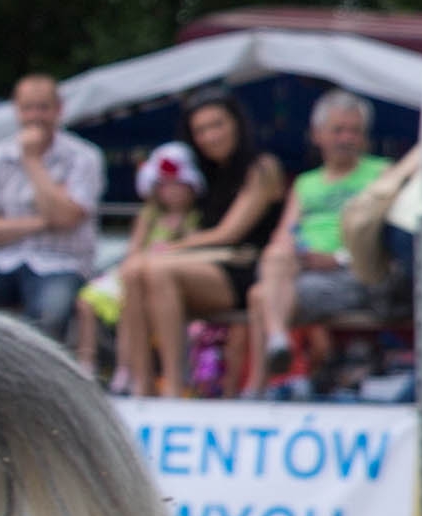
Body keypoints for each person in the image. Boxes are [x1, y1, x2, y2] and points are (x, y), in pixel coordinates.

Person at [113, 93, 283, 395]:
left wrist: (169, 250)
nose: (210, 136)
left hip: (243, 268)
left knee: (156, 270)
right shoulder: (201, 173)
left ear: (237, 124)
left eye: (217, 125)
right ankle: (141, 384)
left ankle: (174, 386)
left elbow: (229, 234)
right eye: (201, 130)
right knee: (132, 271)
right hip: (199, 266)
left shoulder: (262, 168)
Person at [0, 73, 104, 342]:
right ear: (17, 110)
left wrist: (32, 161)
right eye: (28, 108)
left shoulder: (84, 157)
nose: (35, 116)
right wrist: (44, 220)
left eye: (43, 107)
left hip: (62, 264)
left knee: (48, 317)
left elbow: (67, 218)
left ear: (59, 109)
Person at [258, 92, 405, 373]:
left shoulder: (383, 173)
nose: (346, 138)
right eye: (338, 130)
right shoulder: (305, 183)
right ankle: (276, 346)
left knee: (261, 297)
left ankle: (262, 379)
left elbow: (388, 237)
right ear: (317, 135)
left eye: (355, 131)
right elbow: (285, 232)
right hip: (303, 268)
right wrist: (295, 253)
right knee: (274, 258)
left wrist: (338, 258)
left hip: (356, 272)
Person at [87, 147, 205, 392]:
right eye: (165, 186)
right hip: (135, 277)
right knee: (91, 301)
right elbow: (134, 251)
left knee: (136, 303)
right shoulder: (149, 215)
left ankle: (151, 374)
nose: (171, 191)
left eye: (177, 185)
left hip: (164, 282)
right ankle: (98, 365)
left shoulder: (194, 218)